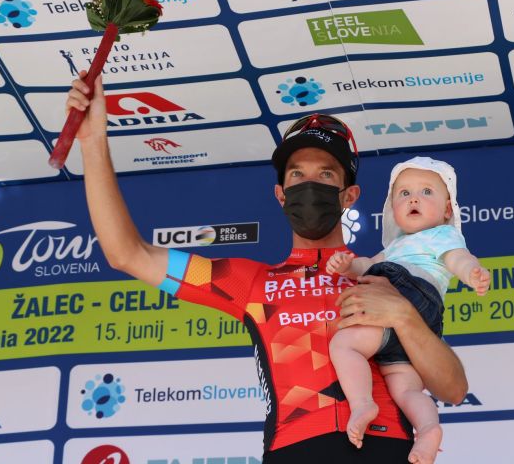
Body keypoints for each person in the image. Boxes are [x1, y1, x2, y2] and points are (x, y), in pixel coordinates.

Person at [65, 71, 468, 463]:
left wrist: (403, 316)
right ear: (281, 194)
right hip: (294, 449)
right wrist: (92, 141)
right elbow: (127, 254)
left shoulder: (386, 275)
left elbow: (452, 388)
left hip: (388, 447)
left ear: (349, 195)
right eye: (297, 174)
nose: (310, 184)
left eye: (326, 174)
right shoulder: (248, 282)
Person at [326, 157, 490, 463]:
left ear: (447, 210)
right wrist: (348, 266)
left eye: (426, 191)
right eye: (404, 193)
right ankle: (428, 429)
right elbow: (366, 264)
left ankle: (362, 403)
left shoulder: (442, 235)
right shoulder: (393, 248)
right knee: (405, 388)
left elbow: (458, 258)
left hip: (410, 291)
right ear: (393, 210)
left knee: (344, 343)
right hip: (422, 321)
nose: (414, 198)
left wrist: (472, 273)